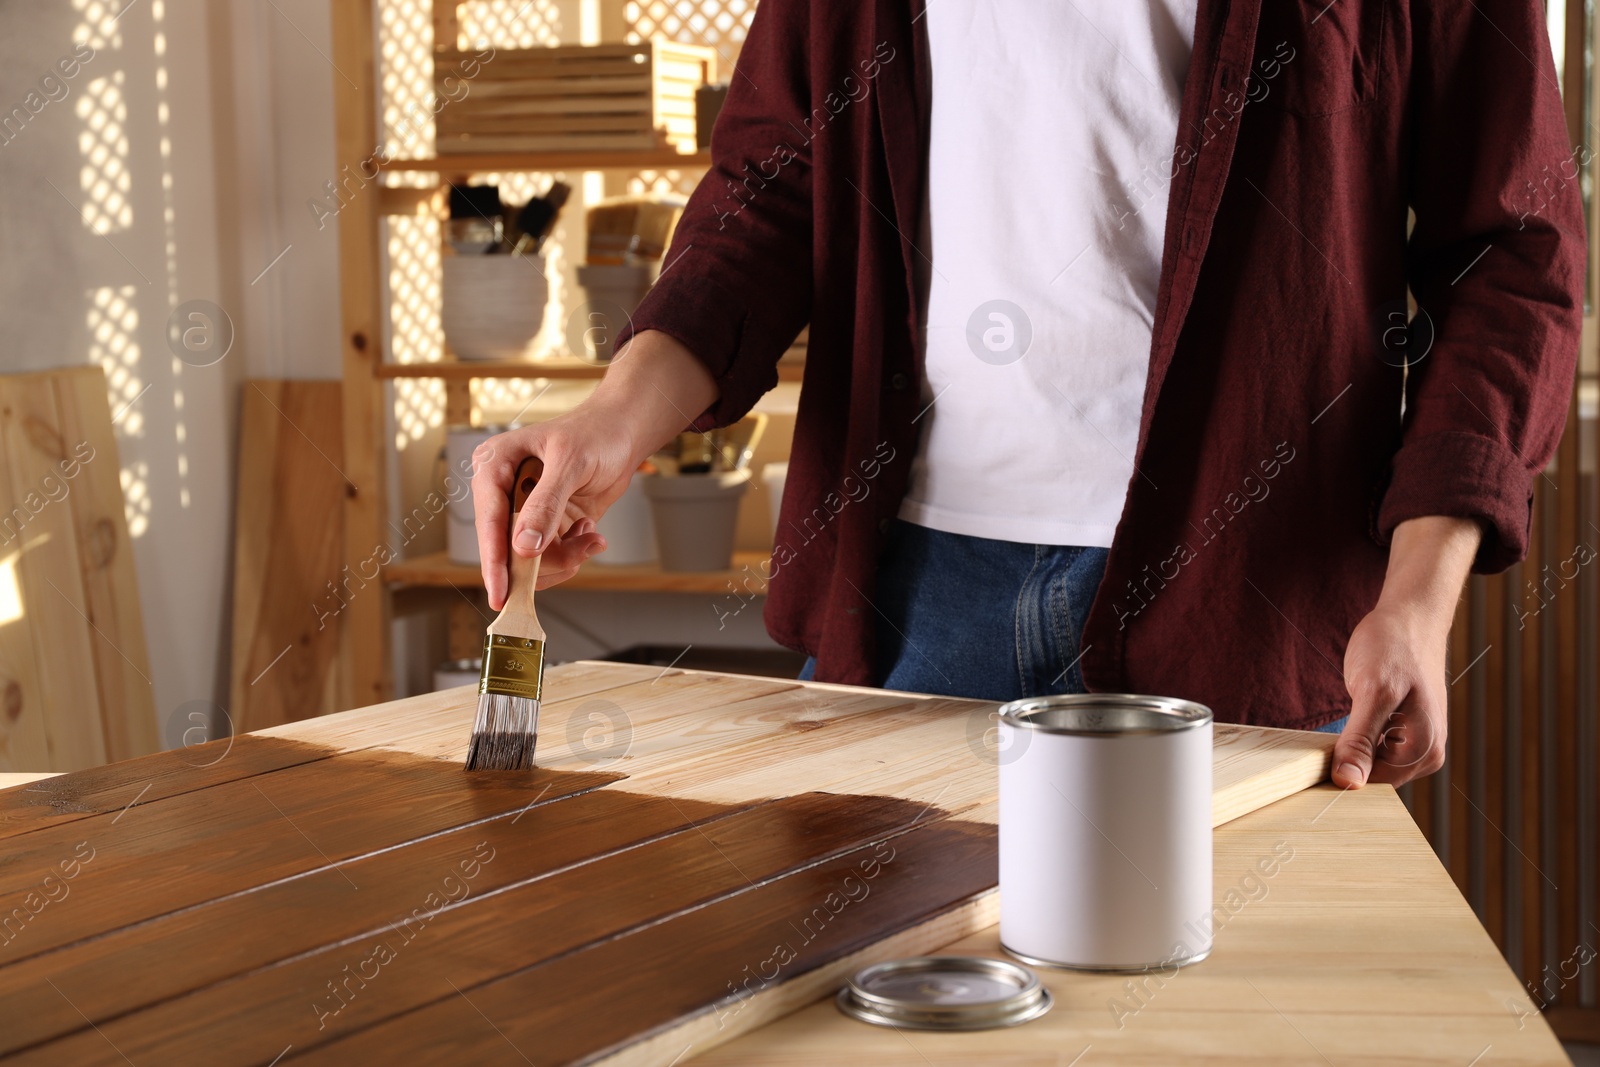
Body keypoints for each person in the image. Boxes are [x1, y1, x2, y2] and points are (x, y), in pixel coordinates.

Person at [473, 0, 1584, 792]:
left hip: (1243, 602)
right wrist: (614, 414)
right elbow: (772, 194)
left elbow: (1510, 259)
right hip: (907, 602)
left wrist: (1419, 594)